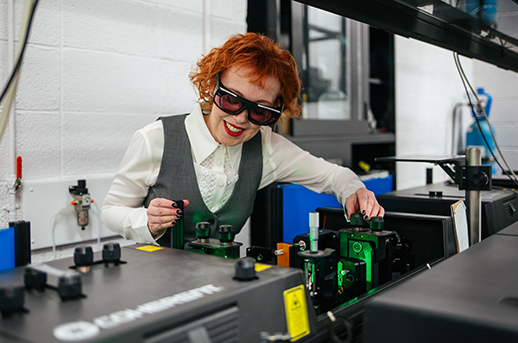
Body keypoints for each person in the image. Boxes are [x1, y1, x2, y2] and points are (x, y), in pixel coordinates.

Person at [101, 33, 384, 246]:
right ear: (212, 86)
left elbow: (334, 177)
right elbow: (111, 210)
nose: (240, 119)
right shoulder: (155, 139)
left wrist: (355, 191)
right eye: (231, 100)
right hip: (158, 286)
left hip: (225, 283)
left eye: (260, 111)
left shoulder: (266, 147)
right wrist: (146, 222)